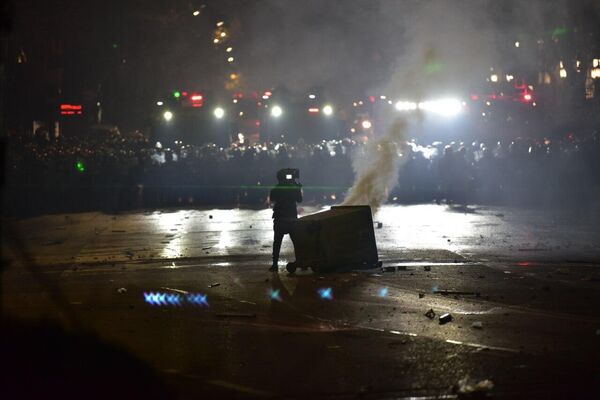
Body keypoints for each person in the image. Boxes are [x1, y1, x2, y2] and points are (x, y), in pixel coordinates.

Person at [269, 169, 303, 272]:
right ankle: (301, 261)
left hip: (280, 218)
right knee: (297, 242)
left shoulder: (276, 188)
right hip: (291, 217)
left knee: (277, 242)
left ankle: (275, 264)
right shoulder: (293, 188)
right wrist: (297, 188)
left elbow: (272, 198)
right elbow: (299, 200)